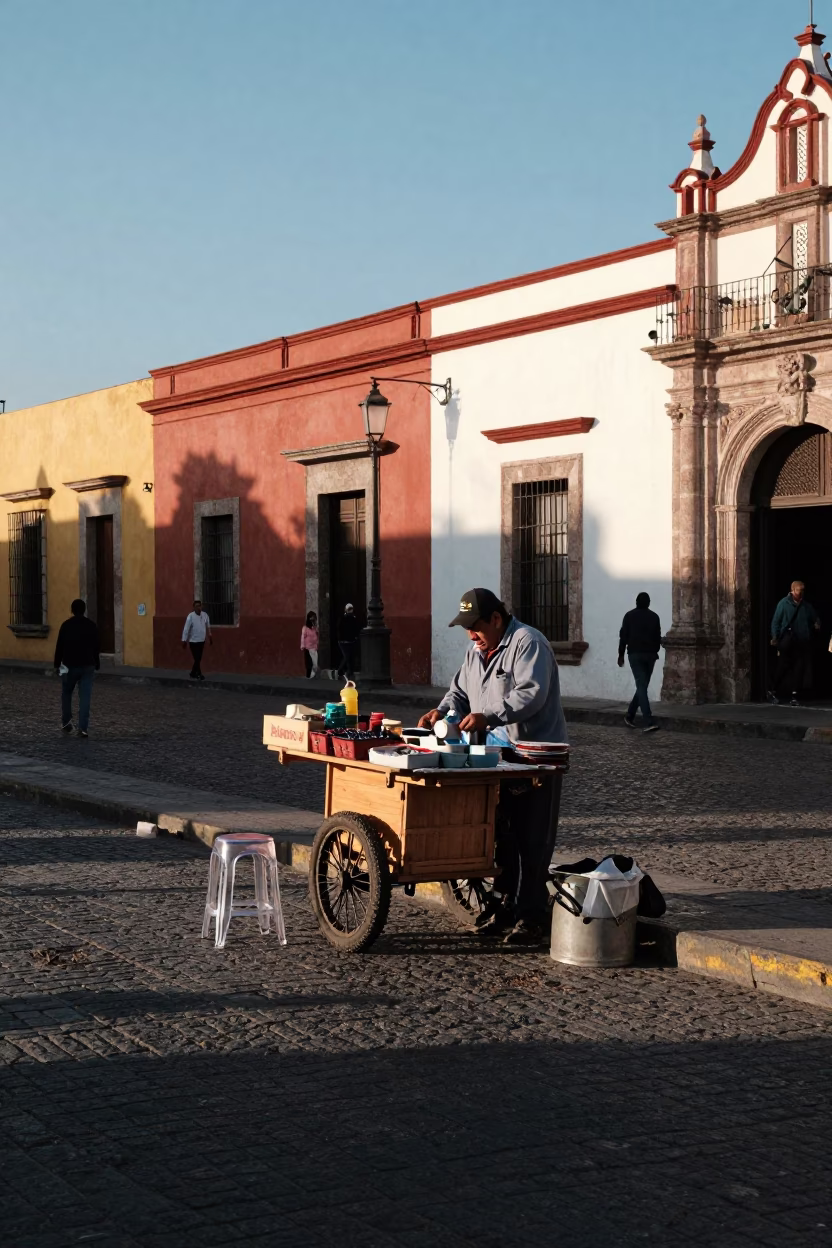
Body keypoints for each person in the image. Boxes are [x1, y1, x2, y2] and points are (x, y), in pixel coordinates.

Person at [418, 587, 567, 946]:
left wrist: (489, 715)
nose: (472, 636)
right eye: (468, 629)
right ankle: (505, 907)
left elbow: (530, 694)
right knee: (502, 835)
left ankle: (532, 917)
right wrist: (442, 709)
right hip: (497, 755)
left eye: (477, 628)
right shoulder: (476, 651)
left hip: (535, 756)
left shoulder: (528, 643)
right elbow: (460, 690)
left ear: (496, 619)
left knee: (533, 839)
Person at [53, 599, 100, 738]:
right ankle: (83, 728)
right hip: (88, 665)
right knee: (85, 697)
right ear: (84, 610)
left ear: (72, 610)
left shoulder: (66, 625)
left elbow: (59, 647)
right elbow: (96, 646)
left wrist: (57, 665)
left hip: (68, 665)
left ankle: (67, 723)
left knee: (66, 693)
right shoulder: (91, 625)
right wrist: (97, 663)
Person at [769, 580, 820, 706]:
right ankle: (772, 690)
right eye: (799, 590)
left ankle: (794, 695)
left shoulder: (806, 606)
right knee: (783, 667)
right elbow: (776, 621)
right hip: (787, 640)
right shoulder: (784, 604)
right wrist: (775, 636)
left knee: (799, 668)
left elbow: (815, 617)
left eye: (803, 590)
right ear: (792, 590)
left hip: (801, 642)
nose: (801, 593)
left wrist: (817, 623)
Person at [618, 592, 662, 733]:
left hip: (635, 654)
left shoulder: (629, 616)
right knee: (642, 685)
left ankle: (631, 716)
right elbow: (657, 637)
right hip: (650, 655)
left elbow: (623, 637)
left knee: (641, 686)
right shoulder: (655, 617)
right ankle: (647, 720)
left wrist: (621, 655)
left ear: (636, 602)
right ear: (649, 603)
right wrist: (655, 651)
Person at [181, 599, 212, 680]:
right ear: (193, 607)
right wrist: (184, 640)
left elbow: (208, 625)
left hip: (202, 640)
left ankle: (192, 673)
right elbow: (186, 629)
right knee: (197, 658)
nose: (199, 608)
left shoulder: (205, 615)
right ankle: (199, 674)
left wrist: (210, 636)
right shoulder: (190, 616)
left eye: (200, 606)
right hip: (193, 641)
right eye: (197, 606)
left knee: (198, 658)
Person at [336, 603, 361, 680]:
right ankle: (340, 671)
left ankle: (350, 673)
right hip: (343, 641)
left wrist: (356, 637)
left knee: (350, 657)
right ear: (346, 610)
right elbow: (339, 628)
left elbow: (356, 628)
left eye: (351, 609)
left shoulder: (354, 618)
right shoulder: (343, 618)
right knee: (347, 656)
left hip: (351, 641)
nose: (350, 610)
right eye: (349, 609)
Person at [301, 611, 320, 678]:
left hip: (314, 648)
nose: (312, 619)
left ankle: (312, 676)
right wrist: (302, 646)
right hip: (308, 648)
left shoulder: (314, 627)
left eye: (314, 618)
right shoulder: (305, 628)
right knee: (309, 664)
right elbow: (303, 637)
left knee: (315, 664)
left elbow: (316, 636)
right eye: (311, 617)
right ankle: (309, 676)